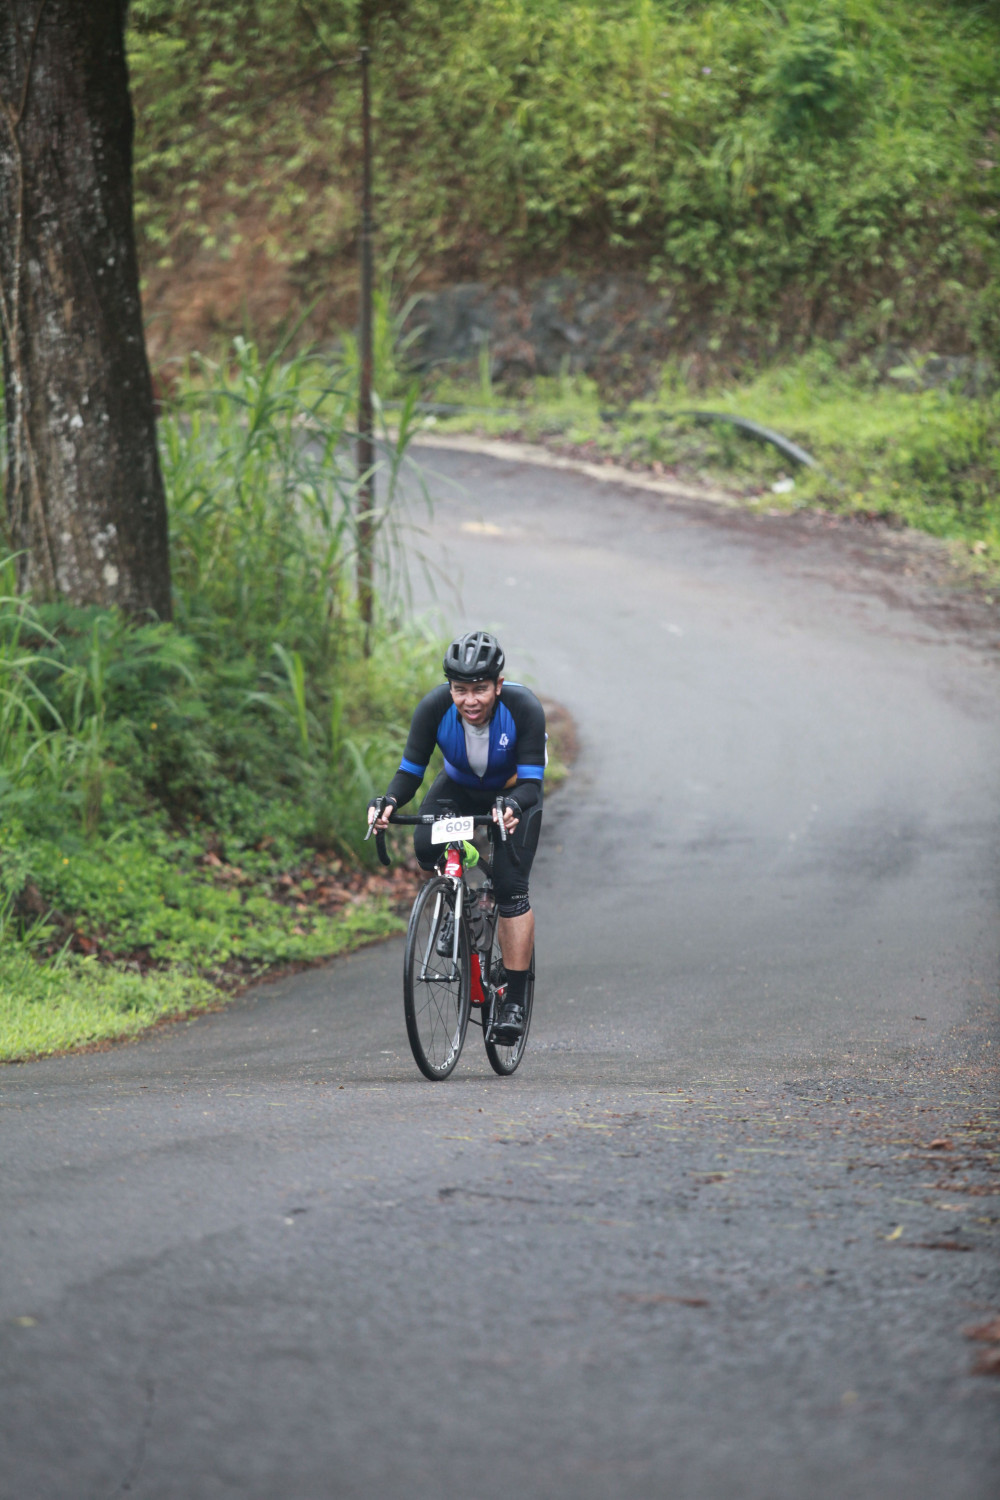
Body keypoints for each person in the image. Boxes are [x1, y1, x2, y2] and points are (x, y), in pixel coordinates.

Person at [368, 629, 545, 1041]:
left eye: (480, 689)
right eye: (460, 689)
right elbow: (410, 772)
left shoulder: (523, 708)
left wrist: (513, 807)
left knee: (511, 889)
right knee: (426, 846)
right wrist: (389, 801)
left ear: (498, 685)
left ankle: (514, 1002)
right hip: (459, 787)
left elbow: (532, 783)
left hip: (514, 792)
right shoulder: (433, 707)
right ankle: (459, 900)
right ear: (449, 688)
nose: (470, 700)